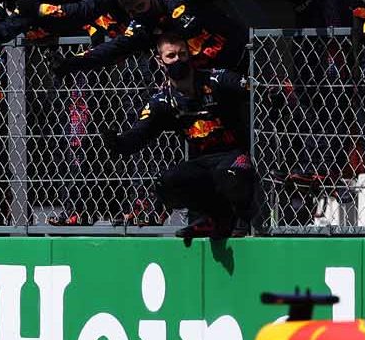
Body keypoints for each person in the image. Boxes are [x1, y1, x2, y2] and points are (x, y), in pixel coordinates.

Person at [101, 33, 257, 244]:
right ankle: (212, 216)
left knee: (230, 175)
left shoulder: (215, 79)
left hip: (233, 156)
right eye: (171, 56)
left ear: (190, 54)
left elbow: (252, 87)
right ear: (160, 60)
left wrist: (269, 93)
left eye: (182, 54)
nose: (177, 60)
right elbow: (139, 134)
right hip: (201, 164)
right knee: (167, 183)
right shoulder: (161, 100)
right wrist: (117, 142)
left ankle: (242, 220)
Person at [57, 0, 248, 74]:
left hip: (245, 56)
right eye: (131, 11)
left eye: (141, 6)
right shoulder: (140, 28)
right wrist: (73, 62)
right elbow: (112, 49)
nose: (138, 13)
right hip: (210, 78)